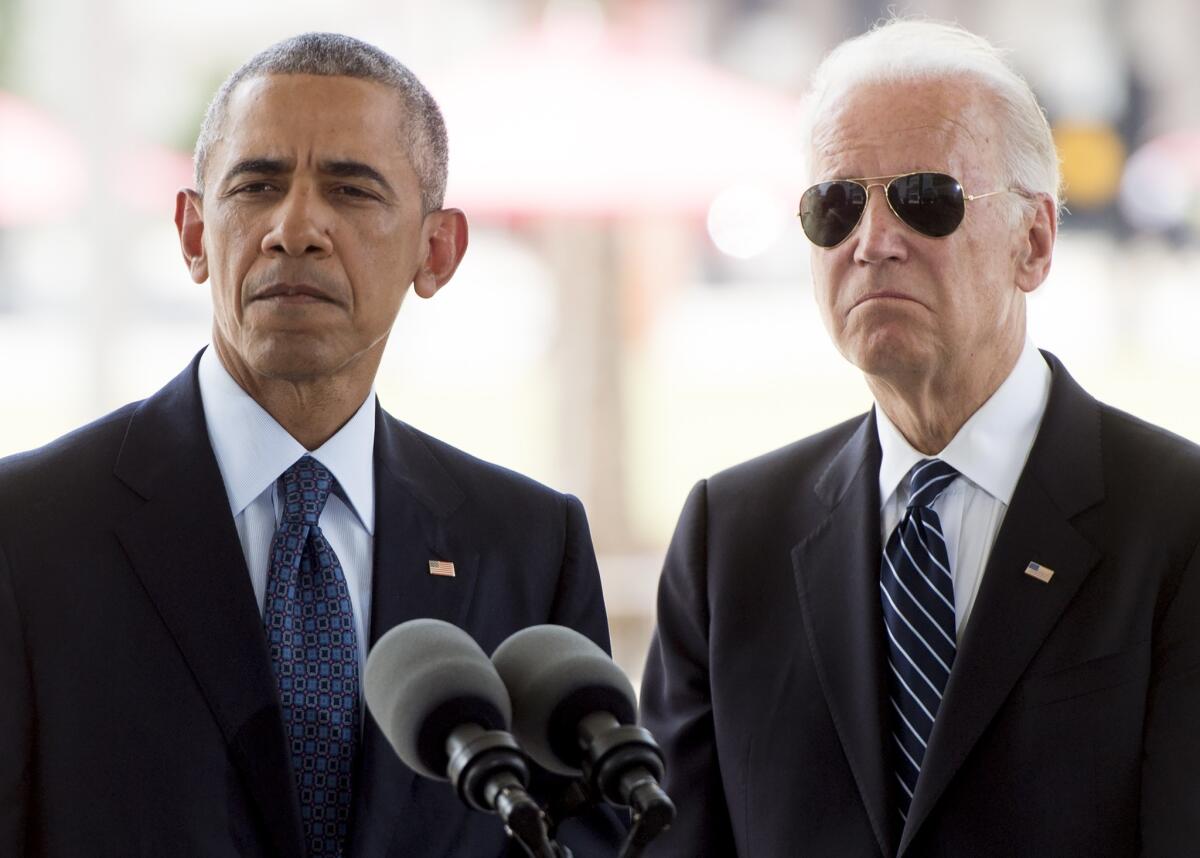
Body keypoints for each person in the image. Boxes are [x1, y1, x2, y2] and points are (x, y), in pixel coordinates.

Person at [0, 33, 620, 858]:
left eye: (351, 190)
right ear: (193, 233)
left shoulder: (531, 546)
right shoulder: (28, 530)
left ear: (437, 252)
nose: (295, 229)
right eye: (256, 185)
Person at [639, 18, 1200, 858]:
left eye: (924, 199)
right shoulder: (731, 536)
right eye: (835, 206)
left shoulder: (1176, 518)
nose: (872, 243)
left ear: (1035, 242)